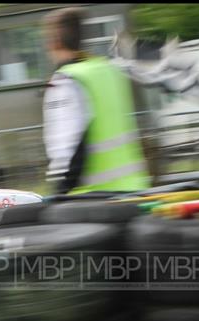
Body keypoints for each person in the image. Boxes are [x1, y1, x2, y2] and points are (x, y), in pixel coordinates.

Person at [42, 7, 150, 195]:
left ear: (55, 41)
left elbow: (69, 147)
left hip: (93, 200)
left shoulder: (65, 81)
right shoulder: (108, 71)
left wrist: (59, 193)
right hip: (134, 190)